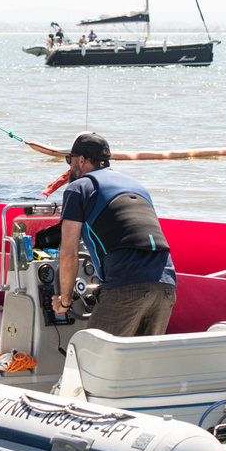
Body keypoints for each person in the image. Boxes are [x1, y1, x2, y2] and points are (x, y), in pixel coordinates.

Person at [51, 132, 176, 337]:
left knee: (91, 358)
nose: (69, 166)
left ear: (81, 160)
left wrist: (65, 301)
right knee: (139, 362)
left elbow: (69, 253)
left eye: (69, 160)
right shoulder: (137, 186)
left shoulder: (78, 188)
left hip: (125, 286)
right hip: (166, 286)